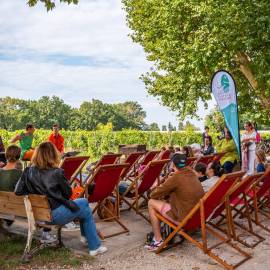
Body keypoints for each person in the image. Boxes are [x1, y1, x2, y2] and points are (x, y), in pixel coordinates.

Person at [14, 142, 107, 256]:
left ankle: (89, 240)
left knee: (85, 209)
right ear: (53, 155)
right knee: (84, 203)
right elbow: (68, 194)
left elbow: (18, 191)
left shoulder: (28, 171)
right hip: (54, 216)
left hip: (36, 214)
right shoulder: (57, 172)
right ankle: (92, 244)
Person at [145, 153, 204, 251]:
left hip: (185, 218)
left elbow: (153, 195)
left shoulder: (175, 177)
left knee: (151, 202)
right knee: (166, 199)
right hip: (197, 215)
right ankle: (164, 233)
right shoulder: (192, 173)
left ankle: (158, 240)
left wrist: (169, 180)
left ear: (172, 164)